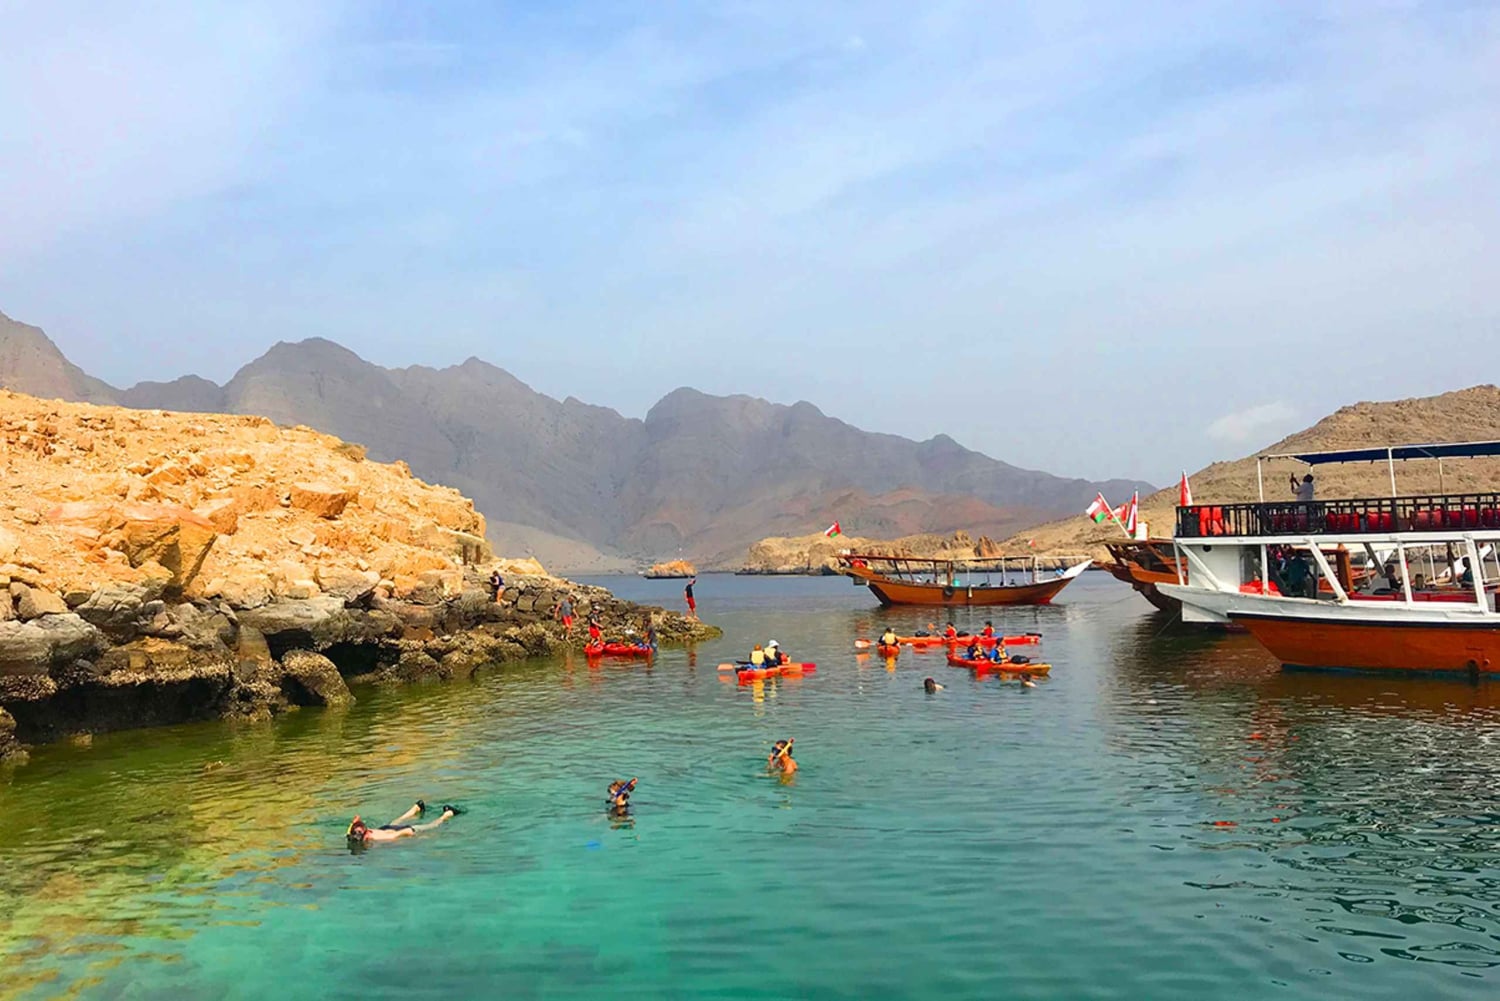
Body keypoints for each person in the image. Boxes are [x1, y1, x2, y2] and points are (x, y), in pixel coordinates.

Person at [346, 800, 462, 846]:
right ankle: (416, 808)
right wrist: (355, 822)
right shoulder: (356, 833)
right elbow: (351, 831)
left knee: (432, 826)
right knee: (395, 822)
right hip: (386, 828)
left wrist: (412, 834)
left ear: (368, 833)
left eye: (363, 838)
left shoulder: (379, 839)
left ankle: (447, 813)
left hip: (399, 830)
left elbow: (398, 834)